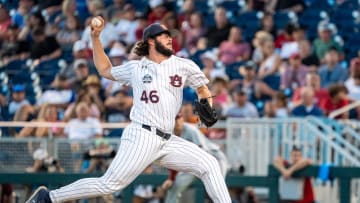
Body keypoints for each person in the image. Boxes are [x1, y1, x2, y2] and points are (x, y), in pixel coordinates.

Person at [26, 19, 231, 203]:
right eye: (164, 36)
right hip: (142, 135)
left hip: (167, 140)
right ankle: (49, 197)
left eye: (170, 36)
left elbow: (202, 88)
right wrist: (95, 38)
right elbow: (105, 70)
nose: (170, 39)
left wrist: (207, 103)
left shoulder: (183, 65)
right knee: (109, 184)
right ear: (151, 41)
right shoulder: (136, 68)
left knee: (210, 164)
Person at [161, 113, 229, 203]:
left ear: (182, 119)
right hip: (195, 164)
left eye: (179, 118)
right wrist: (172, 178)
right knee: (175, 186)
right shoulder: (169, 134)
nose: (177, 122)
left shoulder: (190, 130)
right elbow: (174, 158)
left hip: (215, 158)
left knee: (217, 187)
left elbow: (203, 152)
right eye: (174, 119)